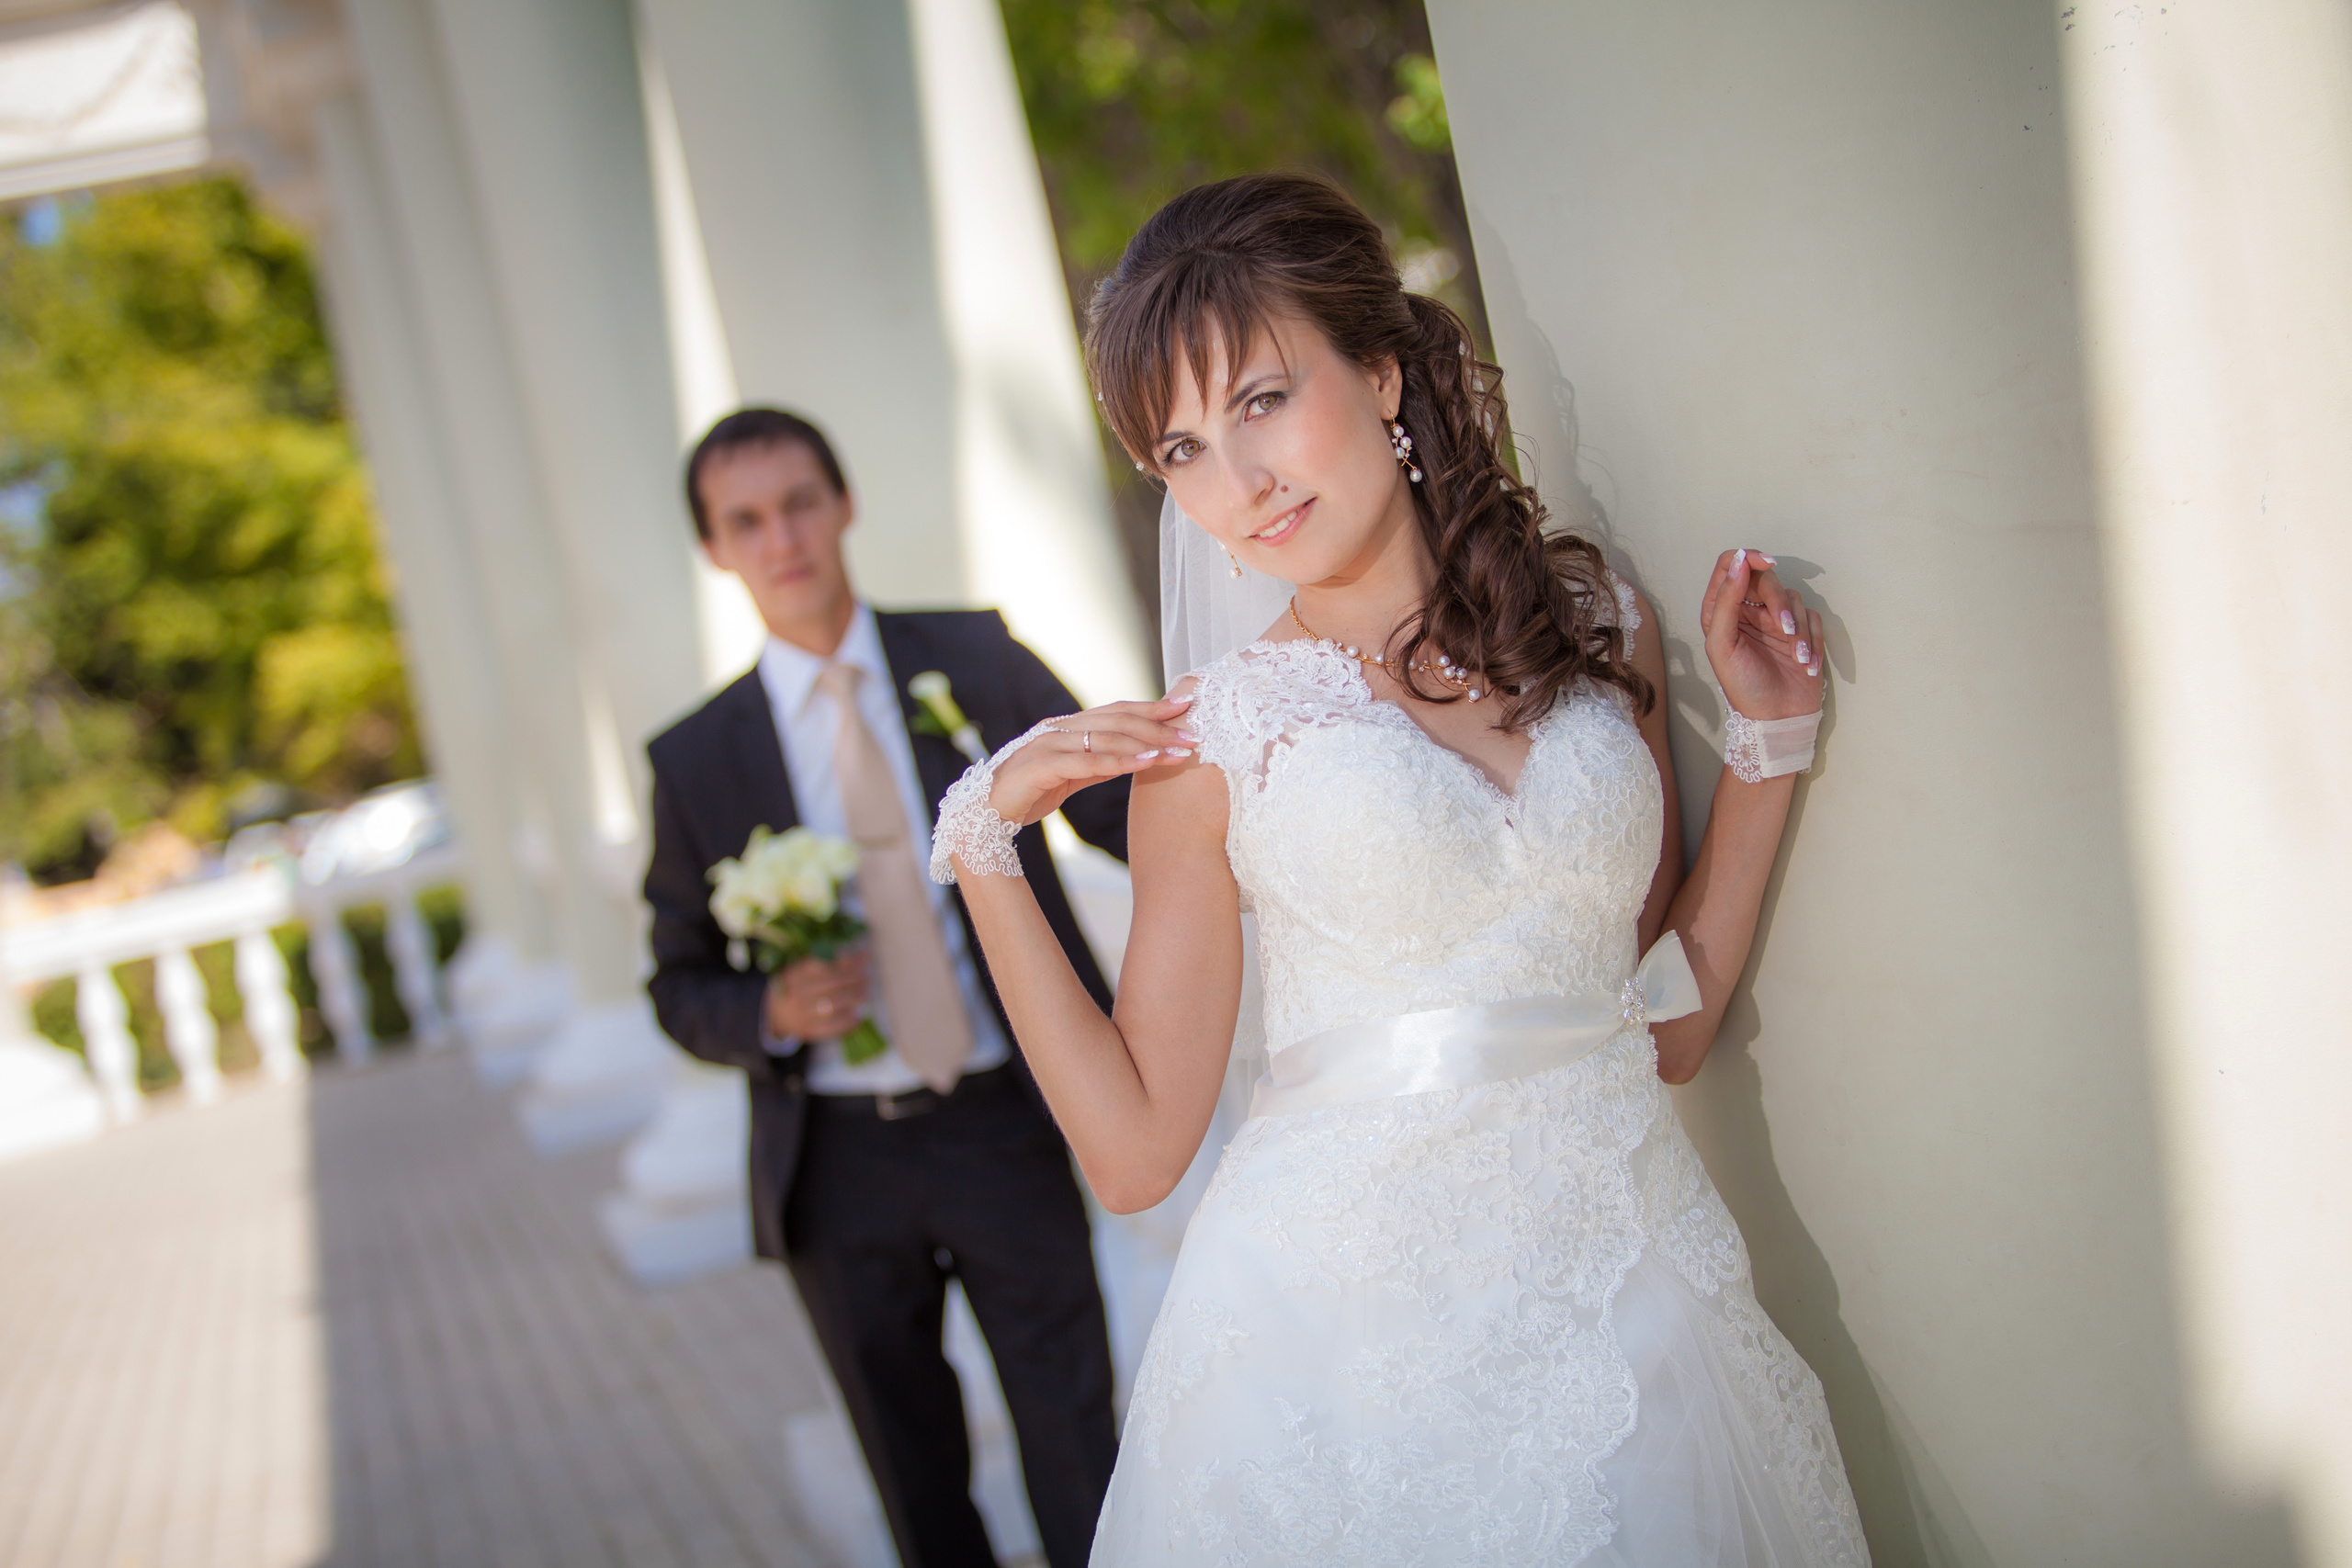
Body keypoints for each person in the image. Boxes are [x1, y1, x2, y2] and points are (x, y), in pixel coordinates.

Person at [927, 175, 1872, 1563]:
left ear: (1379, 372)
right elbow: (1133, 1154)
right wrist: (981, 840)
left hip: (1633, 1300)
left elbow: (1661, 1021)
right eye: (1180, 450)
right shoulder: (1217, 743)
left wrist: (1771, 742)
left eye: (1260, 399)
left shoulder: (1599, 626)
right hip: (1346, 1356)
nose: (1235, 485)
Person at [641, 408, 1123, 1568]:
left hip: (1004, 1120)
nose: (781, 538)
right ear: (715, 549)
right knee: (916, 1483)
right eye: (744, 520)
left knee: (1080, 1447)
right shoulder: (695, 759)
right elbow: (676, 981)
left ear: (843, 504)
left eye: (800, 502)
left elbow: (1118, 808)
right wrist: (767, 1014)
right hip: (836, 1162)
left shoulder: (975, 658)